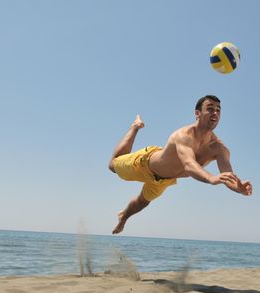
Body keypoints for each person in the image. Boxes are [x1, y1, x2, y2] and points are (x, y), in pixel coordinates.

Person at [108, 95, 252, 234]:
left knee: (142, 202)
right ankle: (135, 127)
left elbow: (227, 174)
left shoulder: (219, 148)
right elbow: (189, 164)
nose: (215, 113)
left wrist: (238, 188)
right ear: (197, 113)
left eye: (218, 110)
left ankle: (123, 218)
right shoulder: (184, 135)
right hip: (144, 164)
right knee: (113, 165)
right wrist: (210, 178)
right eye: (210, 108)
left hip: (165, 181)